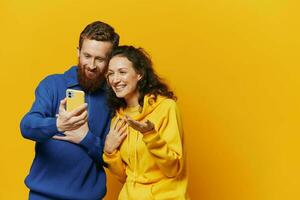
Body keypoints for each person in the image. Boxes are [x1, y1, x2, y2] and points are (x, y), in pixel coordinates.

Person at [20, 21, 119, 200]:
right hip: (43, 196)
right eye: (87, 56)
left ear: (110, 60)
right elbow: (27, 127)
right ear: (78, 52)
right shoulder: (52, 85)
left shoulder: (114, 99)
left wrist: (86, 138)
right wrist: (58, 124)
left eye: (100, 59)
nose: (91, 65)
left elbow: (113, 158)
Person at [103, 45, 189, 200]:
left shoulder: (166, 107)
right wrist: (110, 152)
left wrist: (150, 135)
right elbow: (125, 177)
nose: (115, 80)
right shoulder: (118, 119)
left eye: (122, 72)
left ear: (139, 74)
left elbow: (173, 169)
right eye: (110, 74)